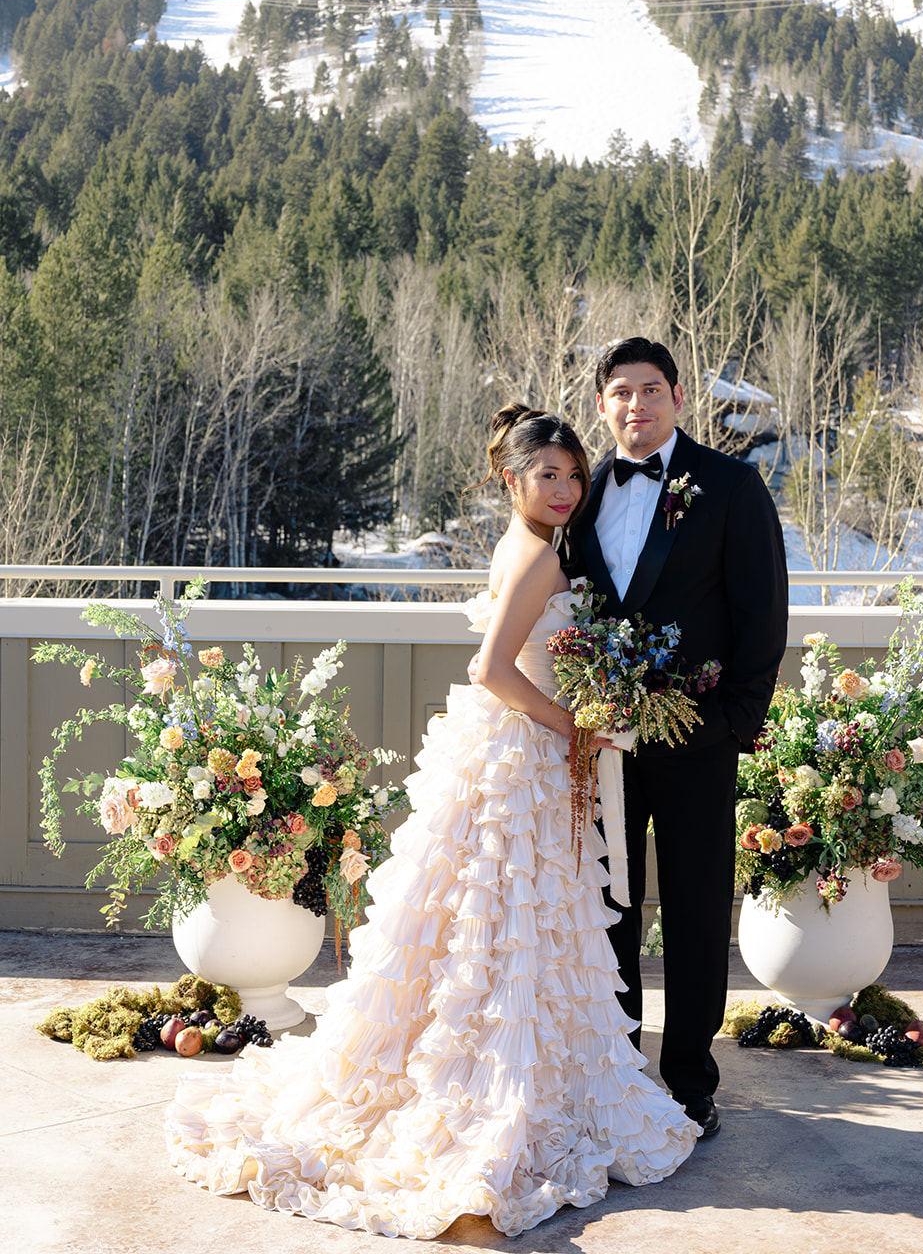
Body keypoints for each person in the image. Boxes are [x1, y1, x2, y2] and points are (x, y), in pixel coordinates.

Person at [166, 404, 697, 1240]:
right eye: (545, 475)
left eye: (572, 474)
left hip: (514, 755)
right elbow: (491, 669)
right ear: (509, 479)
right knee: (505, 917)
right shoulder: (532, 560)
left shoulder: (533, 550)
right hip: (520, 753)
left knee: (493, 924)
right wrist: (577, 726)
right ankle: (490, 1087)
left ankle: (511, 1067)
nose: (563, 489)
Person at [565, 338, 788, 1140]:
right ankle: (617, 1070)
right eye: (620, 392)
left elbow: (762, 610)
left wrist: (734, 723)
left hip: (698, 739)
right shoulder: (578, 494)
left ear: (678, 396)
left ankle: (691, 1082)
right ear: (601, 405)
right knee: (608, 907)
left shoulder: (729, 485)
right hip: (602, 743)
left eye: (650, 389)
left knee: (694, 910)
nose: (636, 405)